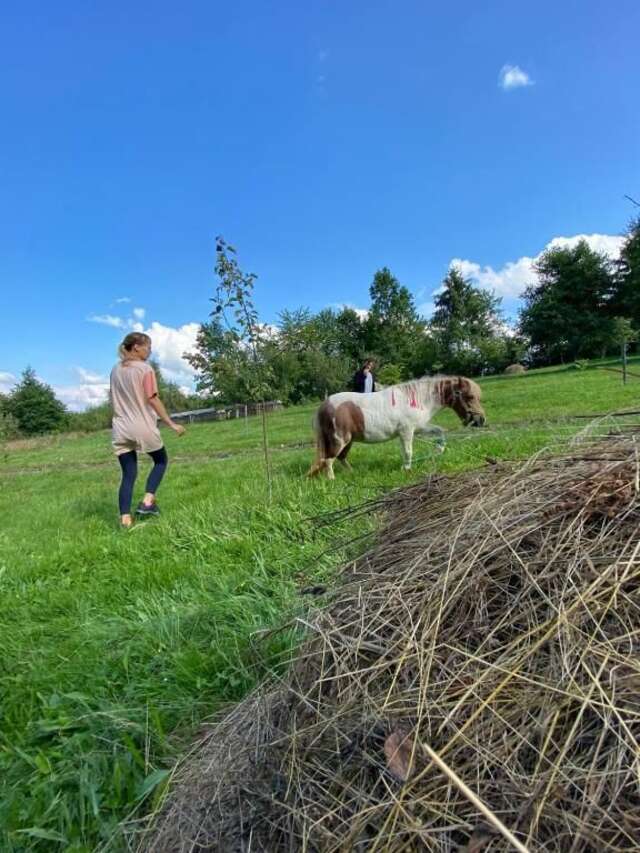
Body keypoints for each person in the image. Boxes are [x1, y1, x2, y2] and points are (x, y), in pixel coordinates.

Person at [110, 332, 185, 528]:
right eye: (148, 347)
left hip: (120, 427)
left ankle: (125, 520)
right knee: (161, 461)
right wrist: (171, 423)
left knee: (128, 474)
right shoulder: (145, 369)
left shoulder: (115, 370)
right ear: (136, 347)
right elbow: (152, 398)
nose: (150, 351)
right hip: (141, 425)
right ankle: (148, 502)